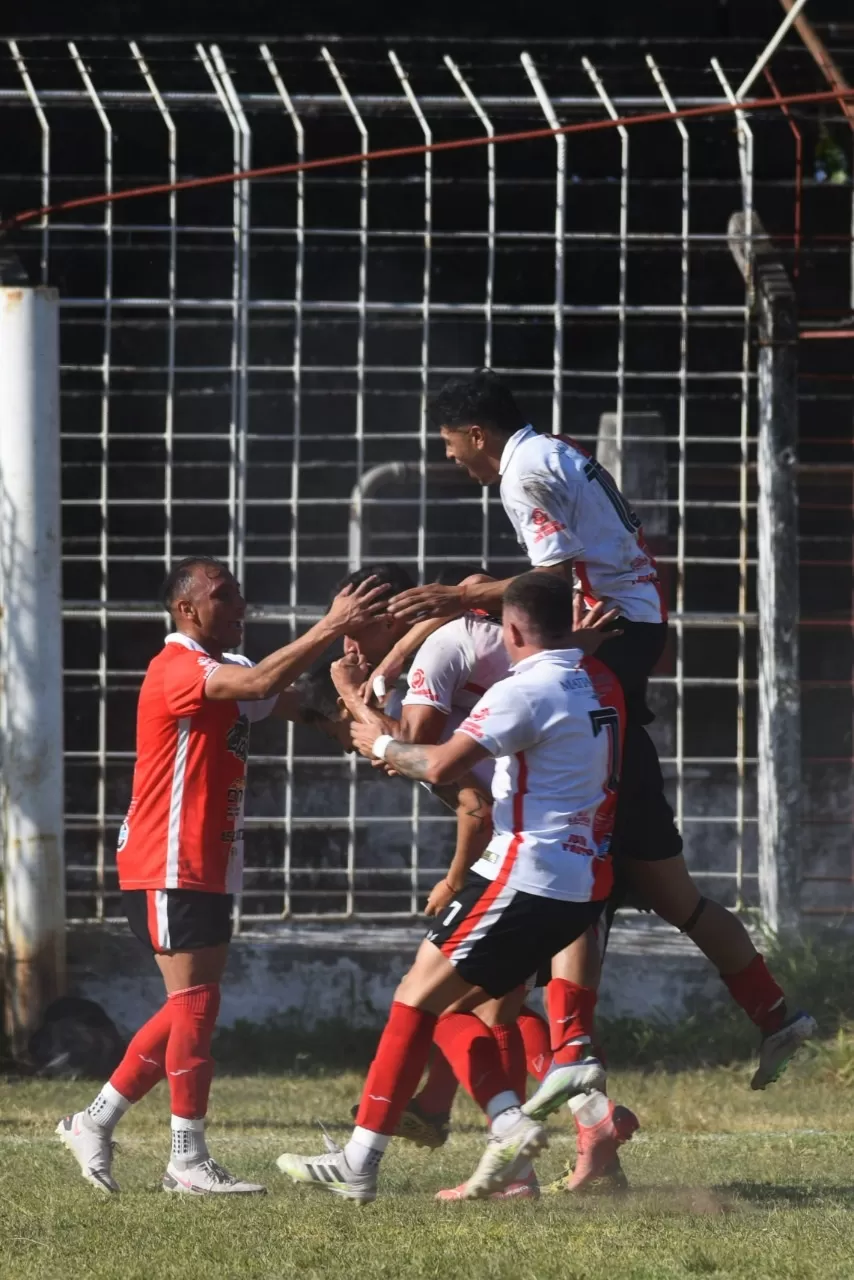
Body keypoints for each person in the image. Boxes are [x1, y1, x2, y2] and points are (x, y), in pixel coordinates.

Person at [386, 369, 815, 1101]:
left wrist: (459, 597)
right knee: (672, 896)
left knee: (575, 871)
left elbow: (548, 579)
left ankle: (559, 1070)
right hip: (635, 621)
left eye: (451, 444)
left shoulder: (519, 476)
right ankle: (773, 1013)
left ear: (477, 433)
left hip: (615, 629)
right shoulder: (551, 451)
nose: (452, 458)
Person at [276, 573, 619, 1203]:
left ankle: (375, 1157)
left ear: (513, 629)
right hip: (580, 881)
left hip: (523, 873)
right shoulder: (599, 679)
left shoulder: (523, 689)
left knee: (416, 1002)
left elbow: (436, 764)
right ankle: (527, 1138)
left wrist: (370, 731)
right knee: (474, 1012)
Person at [56, 555, 388, 1196]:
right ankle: (186, 1159)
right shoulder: (179, 667)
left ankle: (92, 1123)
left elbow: (291, 700)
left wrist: (360, 698)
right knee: (196, 1009)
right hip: (166, 857)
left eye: (239, 593)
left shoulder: (227, 671)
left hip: (205, 859)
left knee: (189, 1009)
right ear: (187, 610)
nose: (240, 604)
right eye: (223, 594)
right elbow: (262, 681)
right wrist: (329, 626)